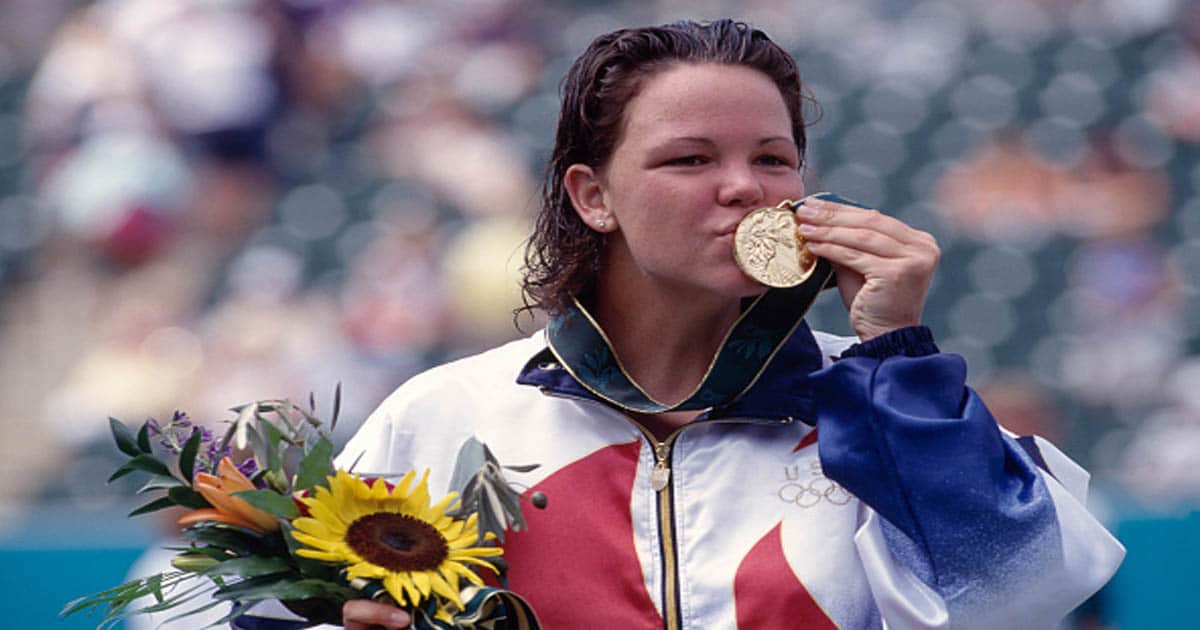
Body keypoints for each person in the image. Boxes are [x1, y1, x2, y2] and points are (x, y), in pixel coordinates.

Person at [331, 19, 1123, 630]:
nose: (745, 188)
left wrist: (894, 352)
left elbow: (1025, 593)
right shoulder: (448, 414)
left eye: (773, 160)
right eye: (690, 160)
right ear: (591, 196)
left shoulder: (876, 403)